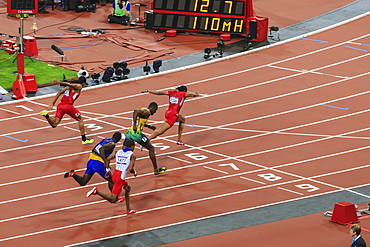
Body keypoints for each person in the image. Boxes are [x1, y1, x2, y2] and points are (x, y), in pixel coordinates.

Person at [86, 139, 138, 215]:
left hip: (115, 175)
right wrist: (134, 172)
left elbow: (107, 159)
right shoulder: (132, 155)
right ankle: (96, 192)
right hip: (120, 178)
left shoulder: (117, 152)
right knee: (113, 199)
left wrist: (107, 169)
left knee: (127, 188)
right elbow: (131, 169)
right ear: (132, 147)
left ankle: (128, 210)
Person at [40, 77, 94, 145]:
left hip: (60, 105)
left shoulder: (68, 88)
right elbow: (72, 85)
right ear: (83, 83)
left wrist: (52, 103)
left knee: (54, 124)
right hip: (67, 106)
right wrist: (60, 82)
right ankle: (84, 139)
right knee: (80, 120)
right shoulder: (79, 86)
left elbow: (59, 92)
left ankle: (46, 115)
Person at [125, 102, 166, 175]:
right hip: (136, 134)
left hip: (129, 132)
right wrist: (134, 125)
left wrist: (149, 126)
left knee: (125, 151)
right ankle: (156, 170)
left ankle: (110, 166)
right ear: (153, 108)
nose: (155, 112)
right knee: (151, 148)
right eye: (155, 110)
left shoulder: (145, 111)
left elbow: (139, 120)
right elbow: (135, 111)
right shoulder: (147, 112)